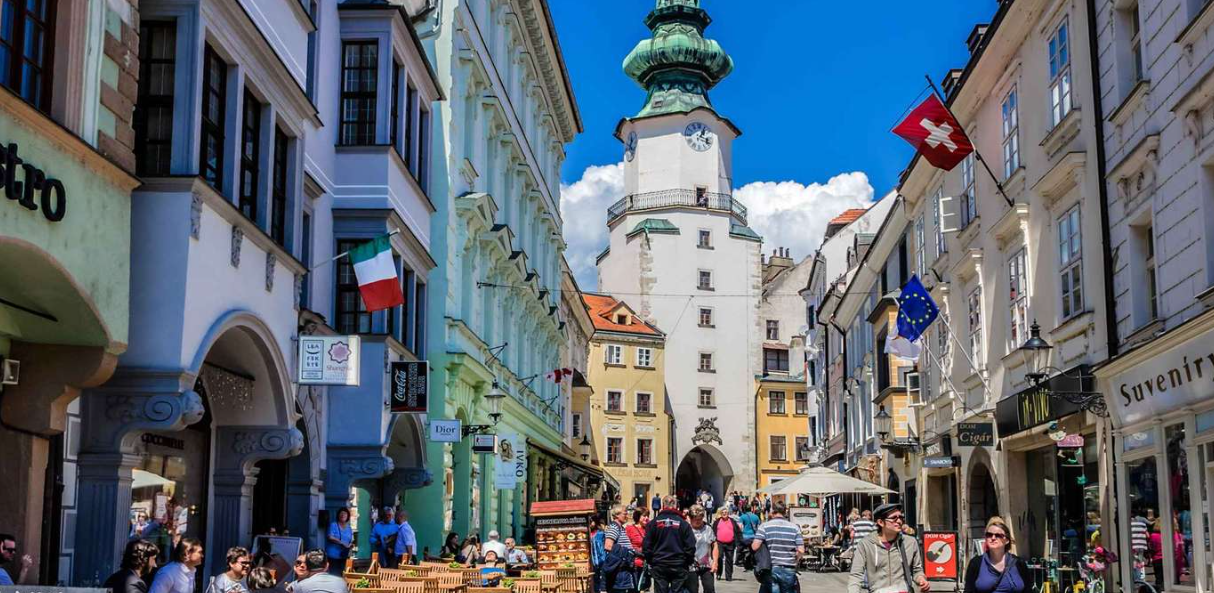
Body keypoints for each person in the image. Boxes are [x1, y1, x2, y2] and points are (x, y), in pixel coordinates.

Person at [847, 503, 929, 593]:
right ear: (881, 522)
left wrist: (921, 579)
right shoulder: (865, 544)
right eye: (894, 518)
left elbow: (917, 570)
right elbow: (856, 575)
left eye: (901, 517)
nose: (899, 521)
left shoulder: (910, 542)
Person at [642, 496, 696, 593]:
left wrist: (651, 560)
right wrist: (687, 561)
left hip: (660, 563)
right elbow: (691, 546)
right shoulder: (683, 524)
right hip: (678, 564)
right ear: (676, 506)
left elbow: (646, 546)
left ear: (663, 505)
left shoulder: (653, 523)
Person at [963, 517, 1024, 593]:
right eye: (989, 535)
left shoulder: (1019, 563)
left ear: (1007, 540)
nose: (993, 538)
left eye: (998, 535)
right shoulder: (976, 563)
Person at [752, 503, 803, 593]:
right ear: (785, 512)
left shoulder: (764, 526)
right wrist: (796, 560)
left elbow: (755, 546)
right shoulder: (795, 528)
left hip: (771, 568)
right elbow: (801, 550)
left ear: (772, 512)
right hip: (789, 568)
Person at [688, 505, 719, 593]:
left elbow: (714, 545)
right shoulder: (686, 529)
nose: (698, 522)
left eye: (700, 519)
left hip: (707, 564)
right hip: (691, 565)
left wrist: (715, 562)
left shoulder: (708, 529)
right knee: (692, 590)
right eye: (695, 519)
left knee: (709, 588)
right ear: (690, 518)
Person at [712, 507, 740, 581]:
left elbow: (737, 531)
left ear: (728, 514)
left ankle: (729, 576)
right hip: (719, 542)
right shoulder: (717, 521)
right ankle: (718, 573)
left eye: (726, 513)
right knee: (719, 558)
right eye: (723, 513)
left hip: (730, 543)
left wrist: (739, 541)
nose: (724, 514)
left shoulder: (732, 521)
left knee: (729, 560)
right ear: (721, 514)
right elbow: (713, 531)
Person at [325, 508, 353, 575]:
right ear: (338, 516)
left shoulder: (349, 528)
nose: (343, 515)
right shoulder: (333, 525)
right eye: (341, 514)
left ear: (348, 516)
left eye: (345, 514)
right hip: (333, 555)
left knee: (342, 574)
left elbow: (350, 539)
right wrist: (342, 543)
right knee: (334, 574)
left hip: (344, 555)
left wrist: (350, 545)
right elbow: (330, 537)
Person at [738, 504, 761, 571]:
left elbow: (740, 527)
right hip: (753, 536)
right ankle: (753, 564)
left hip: (745, 537)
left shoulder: (742, 517)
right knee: (753, 551)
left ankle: (746, 564)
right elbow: (758, 526)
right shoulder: (756, 517)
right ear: (751, 509)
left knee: (744, 551)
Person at [590, 516, 608, 593]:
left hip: (602, 558)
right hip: (592, 560)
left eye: (591, 521)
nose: (590, 524)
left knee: (603, 576)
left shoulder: (601, 533)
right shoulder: (587, 534)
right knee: (595, 577)